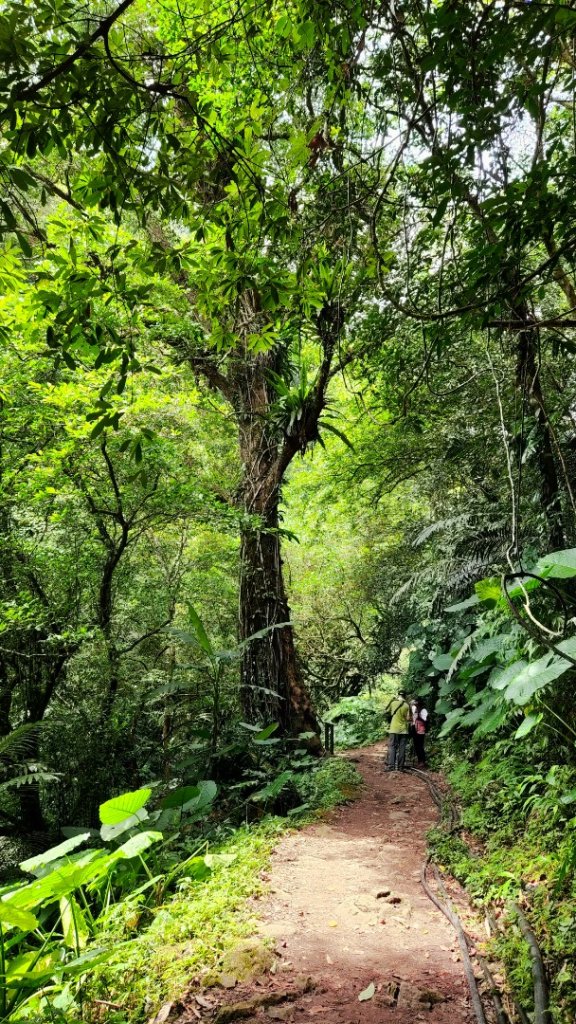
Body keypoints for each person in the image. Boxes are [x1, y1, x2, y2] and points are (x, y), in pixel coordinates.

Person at [383, 689, 410, 771]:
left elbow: (385, 711)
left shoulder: (393, 703)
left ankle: (391, 766)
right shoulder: (407, 705)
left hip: (394, 729)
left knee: (392, 747)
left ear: (398, 695)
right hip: (404, 730)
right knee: (402, 748)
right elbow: (408, 718)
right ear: (405, 696)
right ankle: (400, 767)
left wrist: (391, 700)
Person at [411, 697, 428, 768]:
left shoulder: (423, 710)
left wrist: (418, 717)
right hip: (415, 729)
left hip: (420, 730)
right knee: (416, 746)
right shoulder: (415, 710)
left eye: (416, 703)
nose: (415, 704)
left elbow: (425, 720)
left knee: (420, 746)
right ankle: (419, 761)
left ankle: (422, 761)